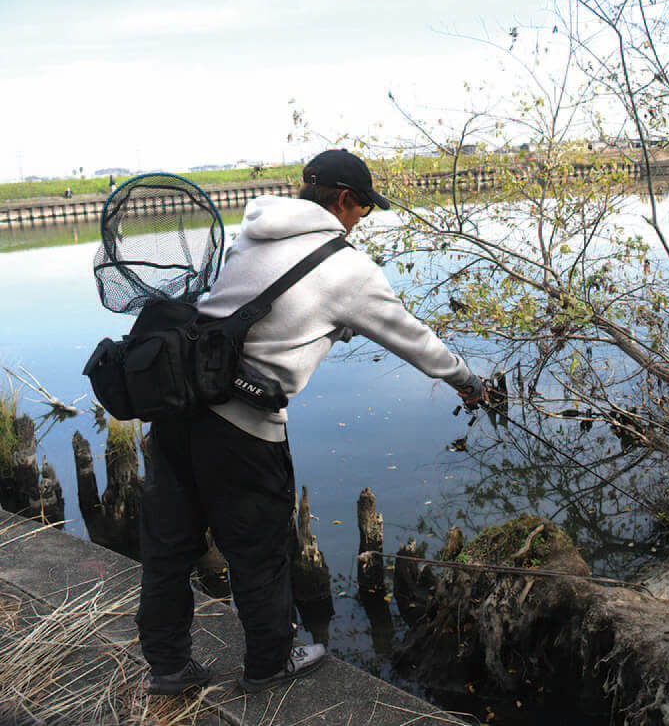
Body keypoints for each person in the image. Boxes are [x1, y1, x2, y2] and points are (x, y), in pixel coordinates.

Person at [137, 149, 487, 695]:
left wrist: (330, 327)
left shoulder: (252, 235)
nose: (360, 220)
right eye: (363, 209)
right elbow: (415, 340)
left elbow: (268, 310)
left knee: (168, 544)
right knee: (260, 550)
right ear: (345, 199)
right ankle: (269, 665)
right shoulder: (348, 268)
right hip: (242, 427)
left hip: (179, 409)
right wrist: (467, 379)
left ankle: (167, 668)